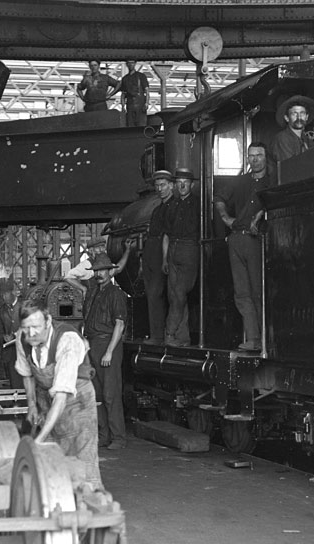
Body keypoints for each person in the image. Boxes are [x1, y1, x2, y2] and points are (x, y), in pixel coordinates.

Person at [15, 298, 103, 487]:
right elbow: (27, 374)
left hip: (76, 401)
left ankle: (91, 498)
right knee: (51, 459)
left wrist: (37, 441)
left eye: (36, 327)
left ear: (48, 321)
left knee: (82, 461)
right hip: (46, 400)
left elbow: (61, 398)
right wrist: (31, 406)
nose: (31, 333)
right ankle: (56, 502)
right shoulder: (22, 338)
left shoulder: (67, 340)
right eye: (26, 327)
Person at [213, 142, 274, 352]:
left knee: (258, 291)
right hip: (237, 238)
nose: (255, 159)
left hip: (257, 240)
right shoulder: (240, 182)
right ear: (247, 158)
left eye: (259, 155)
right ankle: (253, 339)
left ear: (266, 158)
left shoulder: (272, 181)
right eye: (251, 156)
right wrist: (225, 217)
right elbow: (219, 198)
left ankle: (265, 340)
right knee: (242, 292)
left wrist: (263, 213)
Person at [66, 252, 129, 450]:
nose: (99, 274)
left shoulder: (116, 294)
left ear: (111, 271)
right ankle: (104, 435)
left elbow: (119, 324)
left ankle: (118, 437)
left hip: (108, 344)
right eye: (96, 271)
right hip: (92, 344)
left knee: (111, 393)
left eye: (103, 270)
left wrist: (109, 351)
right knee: (97, 394)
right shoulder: (92, 292)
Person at [164, 167, 200, 347]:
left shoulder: (198, 205)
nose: (182, 185)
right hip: (174, 249)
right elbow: (167, 234)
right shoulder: (173, 205)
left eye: (185, 182)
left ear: (191, 185)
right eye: (179, 183)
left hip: (189, 249)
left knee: (179, 294)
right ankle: (183, 337)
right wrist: (166, 258)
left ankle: (170, 333)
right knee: (175, 296)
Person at [142, 169, 174, 344]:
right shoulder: (158, 209)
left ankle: (158, 336)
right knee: (152, 294)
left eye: (163, 185)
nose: (160, 189)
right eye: (157, 185)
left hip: (161, 251)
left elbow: (167, 235)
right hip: (151, 252)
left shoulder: (172, 208)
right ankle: (156, 333)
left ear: (171, 186)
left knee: (156, 294)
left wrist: (165, 259)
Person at [270, 95, 314, 172]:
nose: (299, 117)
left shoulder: (309, 142)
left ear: (307, 117)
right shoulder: (282, 139)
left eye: (302, 113)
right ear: (286, 118)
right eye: (294, 114)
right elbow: (291, 168)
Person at [0, 278, 22, 389]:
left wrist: (18, 334)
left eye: (5, 294)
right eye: (1, 295)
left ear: (13, 293)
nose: (3, 297)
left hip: (26, 350)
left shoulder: (24, 307)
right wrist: (4, 337)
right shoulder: (1, 312)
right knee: (15, 382)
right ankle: (17, 403)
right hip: (11, 353)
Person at [65, 235, 130, 282]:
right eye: (98, 247)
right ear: (91, 250)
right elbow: (68, 277)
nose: (101, 250)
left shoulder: (106, 264)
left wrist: (127, 250)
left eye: (103, 247)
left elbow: (119, 268)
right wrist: (83, 288)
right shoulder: (86, 265)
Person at [120, 60, 150, 127]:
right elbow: (123, 94)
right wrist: (122, 106)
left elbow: (147, 90)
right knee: (130, 125)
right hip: (130, 104)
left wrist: (147, 103)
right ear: (126, 64)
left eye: (132, 63)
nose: (131, 64)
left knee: (141, 124)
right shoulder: (125, 78)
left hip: (140, 104)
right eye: (129, 63)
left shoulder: (141, 76)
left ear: (135, 64)